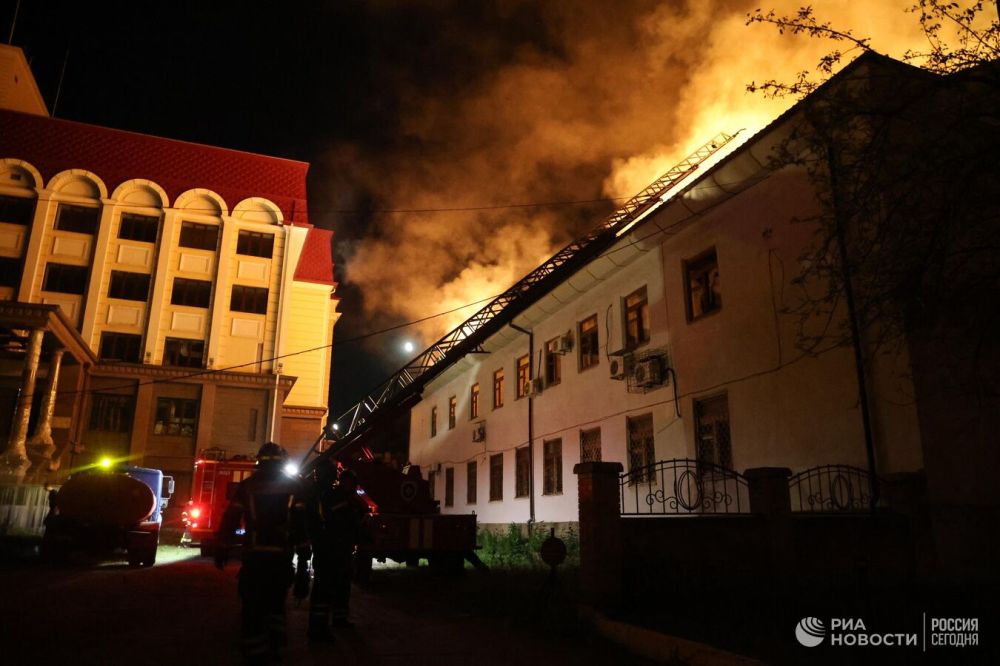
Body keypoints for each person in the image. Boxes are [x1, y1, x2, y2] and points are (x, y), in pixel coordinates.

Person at [215, 442, 310, 664]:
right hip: (281, 559)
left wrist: (222, 547)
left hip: (255, 559)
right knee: (276, 604)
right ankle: (274, 646)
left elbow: (230, 519)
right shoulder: (294, 487)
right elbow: (300, 526)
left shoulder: (248, 486)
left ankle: (255, 653)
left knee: (253, 607)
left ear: (260, 462)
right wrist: (304, 562)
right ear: (283, 463)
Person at [305, 464, 369, 640]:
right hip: (331, 550)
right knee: (325, 589)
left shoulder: (319, 494)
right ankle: (319, 628)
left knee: (340, 586)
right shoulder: (331, 496)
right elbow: (343, 520)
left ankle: (337, 619)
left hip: (336, 549)